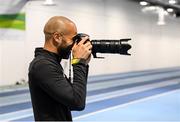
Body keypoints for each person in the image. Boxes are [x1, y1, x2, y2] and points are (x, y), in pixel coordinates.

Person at [28, 16, 92, 121]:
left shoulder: (51, 62)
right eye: (73, 39)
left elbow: (71, 99)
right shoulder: (42, 66)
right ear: (57, 37)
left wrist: (83, 63)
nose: (75, 45)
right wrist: (79, 63)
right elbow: (77, 103)